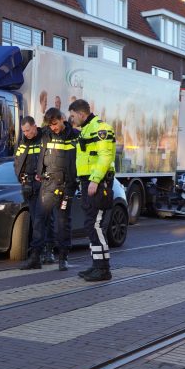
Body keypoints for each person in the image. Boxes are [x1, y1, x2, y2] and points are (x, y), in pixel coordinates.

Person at [20, 107, 79, 271]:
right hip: (48, 185)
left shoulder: (74, 135)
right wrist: (35, 174)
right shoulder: (45, 133)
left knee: (63, 222)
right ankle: (35, 258)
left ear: (62, 119)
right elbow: (30, 142)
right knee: (38, 220)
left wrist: (76, 181)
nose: (53, 128)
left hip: (66, 186)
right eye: (50, 125)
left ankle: (63, 257)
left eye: (55, 124)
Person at [69, 99, 116, 282]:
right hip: (88, 181)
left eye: (73, 116)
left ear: (81, 114)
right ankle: (97, 265)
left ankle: (103, 269)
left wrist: (95, 180)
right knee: (91, 224)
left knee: (93, 225)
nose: (72, 120)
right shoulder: (86, 129)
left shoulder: (100, 128)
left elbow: (105, 157)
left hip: (98, 182)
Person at [14, 116, 43, 248]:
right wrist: (20, 177)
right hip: (28, 185)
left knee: (43, 219)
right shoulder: (23, 142)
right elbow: (17, 161)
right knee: (34, 218)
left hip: (42, 184)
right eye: (23, 131)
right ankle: (37, 249)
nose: (26, 134)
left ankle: (47, 250)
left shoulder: (44, 140)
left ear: (34, 127)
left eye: (27, 130)